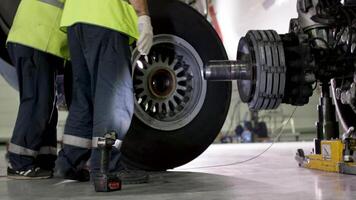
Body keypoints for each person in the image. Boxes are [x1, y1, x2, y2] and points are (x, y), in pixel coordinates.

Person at [55, 0, 153, 183]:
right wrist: (143, 15)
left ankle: (69, 162)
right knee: (114, 97)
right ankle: (106, 166)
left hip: (75, 20)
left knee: (84, 98)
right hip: (106, 17)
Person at [6, 0, 68, 179]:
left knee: (47, 104)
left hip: (38, 38)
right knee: (36, 102)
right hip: (36, 38)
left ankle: (44, 157)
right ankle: (19, 162)